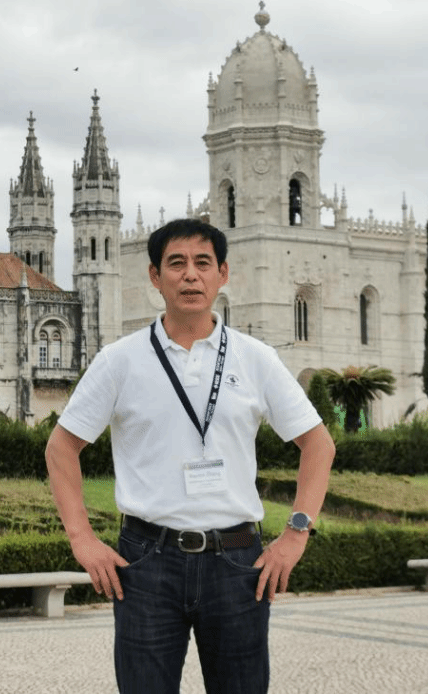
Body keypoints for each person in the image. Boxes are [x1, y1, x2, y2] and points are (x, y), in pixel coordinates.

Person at [46, 218, 335, 693]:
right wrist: (81, 539)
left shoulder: (255, 358)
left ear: (223, 274)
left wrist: (295, 534)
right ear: (155, 277)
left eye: (203, 263)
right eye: (176, 263)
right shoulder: (120, 360)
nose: (190, 275)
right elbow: (61, 447)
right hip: (146, 563)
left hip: (237, 564)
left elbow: (318, 444)